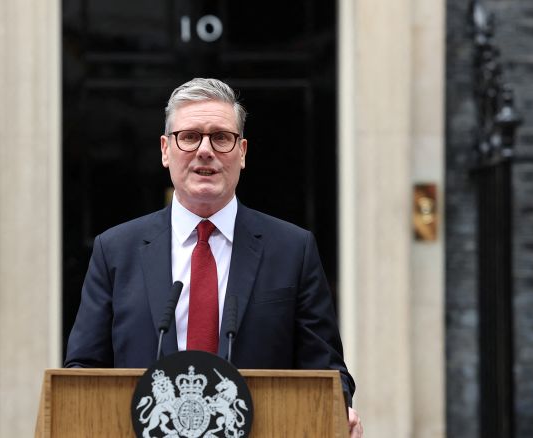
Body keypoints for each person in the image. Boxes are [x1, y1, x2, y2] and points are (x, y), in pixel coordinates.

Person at [65, 78, 363, 437]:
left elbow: (327, 372)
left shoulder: (292, 250)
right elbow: (83, 371)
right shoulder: (115, 250)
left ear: (242, 152)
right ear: (165, 150)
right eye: (189, 136)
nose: (205, 150)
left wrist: (338, 408)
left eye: (221, 138)